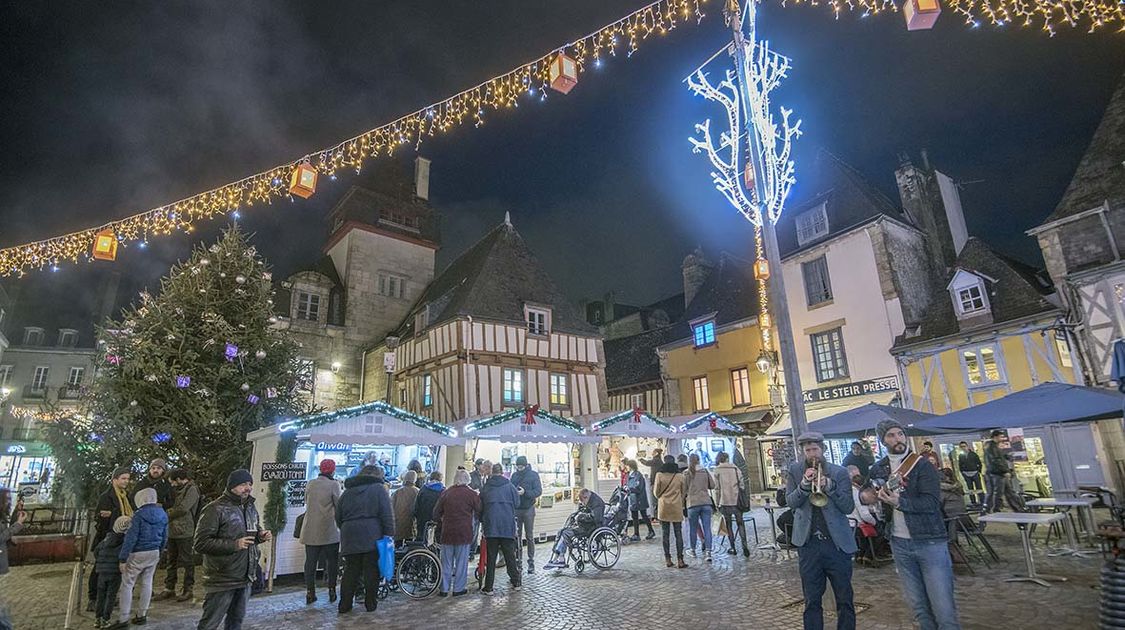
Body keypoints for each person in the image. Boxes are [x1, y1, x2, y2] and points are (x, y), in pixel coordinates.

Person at [869, 420, 961, 630]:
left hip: (929, 540)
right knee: (919, 606)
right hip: (899, 542)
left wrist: (899, 502)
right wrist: (871, 497)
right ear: (883, 440)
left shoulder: (922, 465)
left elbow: (931, 503)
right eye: (891, 435)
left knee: (943, 607)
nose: (897, 439)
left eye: (900, 434)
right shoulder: (878, 468)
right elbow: (873, 496)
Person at [786, 432, 856, 630]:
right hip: (809, 545)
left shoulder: (839, 472)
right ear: (802, 452)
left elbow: (848, 507)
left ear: (822, 450)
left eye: (815, 449)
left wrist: (830, 486)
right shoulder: (795, 470)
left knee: (844, 598)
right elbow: (790, 502)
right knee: (812, 600)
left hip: (836, 545)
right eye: (807, 450)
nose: (812, 454)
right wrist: (804, 486)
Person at [193, 469, 272, 630]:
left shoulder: (250, 507)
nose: (248, 488)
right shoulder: (214, 509)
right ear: (232, 486)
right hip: (223, 578)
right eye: (243, 484)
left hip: (245, 577)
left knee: (236, 622)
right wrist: (234, 545)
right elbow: (200, 543)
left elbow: (251, 532)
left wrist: (260, 535)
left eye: (250, 484)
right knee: (210, 623)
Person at [335, 465, 394, 614]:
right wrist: (389, 533)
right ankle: (370, 603)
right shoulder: (379, 489)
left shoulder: (347, 492)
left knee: (351, 570)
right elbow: (386, 513)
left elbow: (338, 515)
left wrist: (346, 528)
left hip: (349, 534)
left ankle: (345, 604)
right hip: (372, 534)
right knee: (371, 570)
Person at [108, 487, 167, 629]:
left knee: (128, 585)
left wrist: (122, 558)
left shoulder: (139, 515)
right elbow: (165, 536)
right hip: (154, 552)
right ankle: (142, 615)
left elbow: (131, 538)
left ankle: (123, 619)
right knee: (147, 583)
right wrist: (160, 551)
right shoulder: (163, 514)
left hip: (137, 553)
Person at [89, 467, 134, 612]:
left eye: (127, 478)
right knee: (100, 568)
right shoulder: (106, 496)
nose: (126, 481)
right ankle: (93, 598)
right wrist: (114, 515)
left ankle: (109, 598)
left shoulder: (125, 496)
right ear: (115, 480)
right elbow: (99, 517)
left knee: (113, 570)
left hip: (120, 539)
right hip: (107, 539)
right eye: (123, 478)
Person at [155, 468, 200, 603]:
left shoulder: (192, 490)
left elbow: (183, 508)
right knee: (171, 560)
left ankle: (188, 589)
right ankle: (169, 587)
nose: (172, 485)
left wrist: (166, 514)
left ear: (179, 479)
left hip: (185, 530)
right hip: (172, 530)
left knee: (187, 560)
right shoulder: (177, 490)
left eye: (173, 482)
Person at [433, 469, 480, 597]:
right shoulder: (472, 494)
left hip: (447, 532)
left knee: (446, 562)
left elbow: (436, 513)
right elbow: (479, 511)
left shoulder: (446, 492)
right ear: (468, 480)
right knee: (461, 562)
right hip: (464, 532)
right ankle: (458, 588)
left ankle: (444, 588)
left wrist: (442, 519)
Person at [301, 459, 341, 605]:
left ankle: (310, 592)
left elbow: (306, 500)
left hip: (310, 528)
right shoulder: (334, 484)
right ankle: (331, 590)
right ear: (333, 470)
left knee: (310, 562)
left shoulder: (311, 483)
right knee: (332, 562)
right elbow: (339, 504)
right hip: (328, 528)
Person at [479, 463, 521, 594]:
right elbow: (517, 503)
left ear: (492, 472)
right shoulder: (510, 486)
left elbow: (481, 506)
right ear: (502, 472)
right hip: (507, 525)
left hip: (491, 526)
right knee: (510, 556)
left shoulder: (486, 487)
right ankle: (516, 582)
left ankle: (489, 587)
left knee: (491, 558)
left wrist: (482, 520)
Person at [542, 488, 605, 570]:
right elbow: (584, 511)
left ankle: (560, 558)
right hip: (584, 524)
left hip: (590, 527)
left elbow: (596, 519)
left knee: (566, 533)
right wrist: (577, 515)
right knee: (561, 531)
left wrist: (581, 516)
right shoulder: (589, 498)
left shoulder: (597, 503)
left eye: (583, 501)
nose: (583, 503)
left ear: (586, 497)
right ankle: (556, 556)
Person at [93, 516, 130, 628]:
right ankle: (106, 619)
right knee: (111, 596)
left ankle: (97, 619)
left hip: (101, 572)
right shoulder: (124, 542)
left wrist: (101, 561)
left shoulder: (106, 539)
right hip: (115, 573)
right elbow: (124, 556)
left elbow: (96, 551)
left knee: (100, 595)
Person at [510, 455, 543, 574]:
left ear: (525, 465)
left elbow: (538, 491)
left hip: (529, 508)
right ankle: (518, 561)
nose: (519, 468)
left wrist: (525, 493)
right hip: (517, 508)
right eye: (517, 466)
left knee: (529, 536)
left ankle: (531, 561)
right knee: (516, 536)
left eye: (521, 466)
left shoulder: (533, 475)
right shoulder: (514, 476)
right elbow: (510, 489)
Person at [653, 455, 687, 569]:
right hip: (676, 507)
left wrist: (662, 497)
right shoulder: (679, 476)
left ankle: (668, 559)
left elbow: (656, 493)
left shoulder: (659, 475)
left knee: (665, 534)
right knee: (678, 534)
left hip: (664, 507)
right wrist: (679, 500)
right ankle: (680, 559)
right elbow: (684, 492)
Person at [713, 451, 750, 556]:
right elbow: (742, 484)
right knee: (740, 523)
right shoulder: (735, 468)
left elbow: (717, 489)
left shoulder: (717, 470)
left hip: (725, 501)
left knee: (729, 525)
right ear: (727, 458)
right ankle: (745, 546)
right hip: (736, 500)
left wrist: (717, 502)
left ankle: (733, 547)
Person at [683, 453, 716, 561]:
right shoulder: (705, 471)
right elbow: (712, 485)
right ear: (698, 460)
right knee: (707, 528)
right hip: (706, 502)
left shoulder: (687, 473)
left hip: (692, 503)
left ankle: (692, 550)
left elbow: (684, 489)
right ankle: (708, 552)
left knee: (693, 528)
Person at [983, 430, 1023, 513]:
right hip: (998, 473)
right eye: (1000, 437)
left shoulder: (994, 447)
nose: (1002, 438)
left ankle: (1018, 508)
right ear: (995, 437)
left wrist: (1006, 457)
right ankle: (995, 509)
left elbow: (998, 458)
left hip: (999, 473)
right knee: (999, 493)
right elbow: (996, 460)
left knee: (1008, 492)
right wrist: (1005, 471)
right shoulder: (991, 447)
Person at [625, 459, 655, 541]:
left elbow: (638, 487)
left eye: (627, 465)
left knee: (643, 515)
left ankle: (650, 531)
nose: (626, 467)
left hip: (639, 498)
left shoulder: (638, 475)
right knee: (635, 516)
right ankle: (636, 534)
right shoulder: (629, 475)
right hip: (633, 498)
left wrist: (629, 489)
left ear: (630, 466)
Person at [414, 471, 444, 544]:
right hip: (437, 520)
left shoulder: (423, 489)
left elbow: (417, 506)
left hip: (423, 518)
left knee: (422, 538)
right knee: (436, 540)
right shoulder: (443, 491)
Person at [392, 470, 420, 544]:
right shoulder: (418, 492)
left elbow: (391, 508)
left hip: (398, 524)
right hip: (411, 524)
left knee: (397, 546)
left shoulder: (397, 492)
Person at [956, 441, 984, 507]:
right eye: (961, 447)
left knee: (979, 488)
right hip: (966, 474)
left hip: (975, 473)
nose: (963, 448)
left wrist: (978, 471)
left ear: (967, 446)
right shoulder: (961, 456)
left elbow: (979, 463)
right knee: (970, 489)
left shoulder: (973, 454)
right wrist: (963, 473)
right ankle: (973, 502)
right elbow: (960, 465)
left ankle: (982, 501)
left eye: (964, 446)